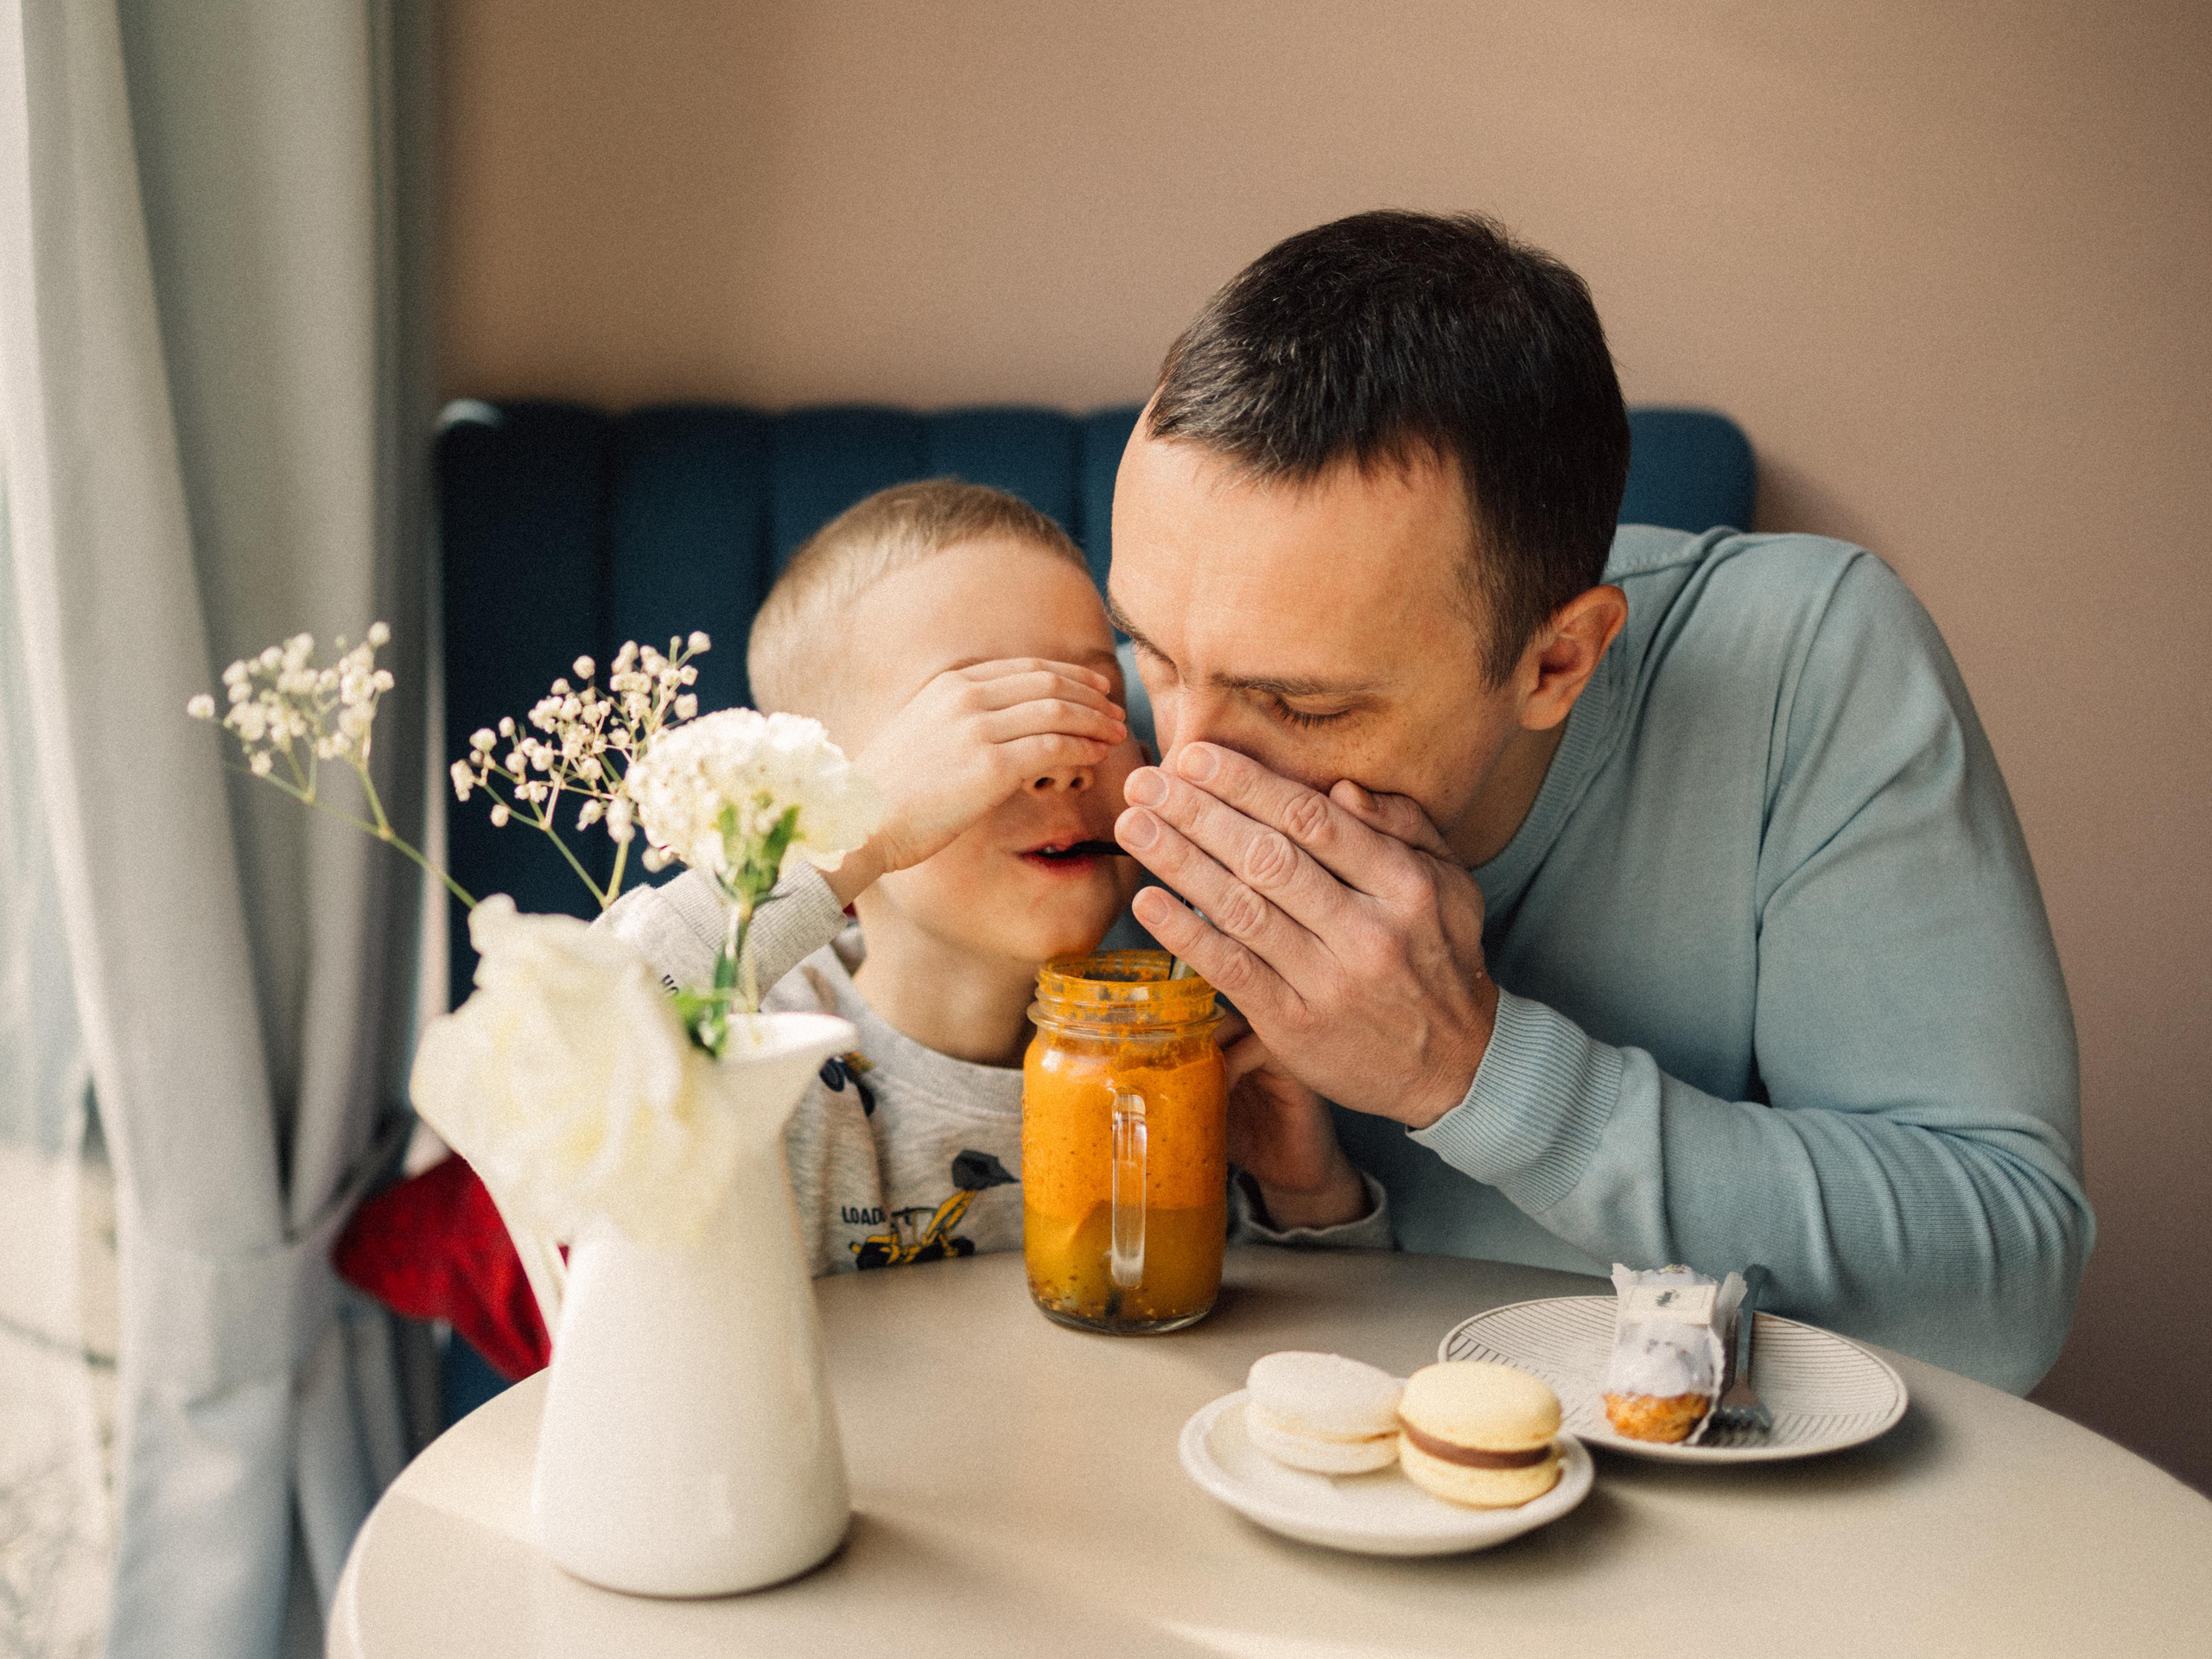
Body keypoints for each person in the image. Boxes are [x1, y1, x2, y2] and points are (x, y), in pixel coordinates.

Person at [1101, 208, 2090, 1392]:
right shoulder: (1096, 741)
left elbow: (2007, 1301)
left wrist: (1472, 1072)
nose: (1188, 767)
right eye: (1152, 651)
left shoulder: (1808, 665)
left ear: (1557, 661)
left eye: (1306, 708)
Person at [601, 480, 1387, 1274]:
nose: (1061, 760)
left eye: (1095, 698)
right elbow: (573, 1025)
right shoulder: (767, 1039)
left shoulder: (1174, 1047)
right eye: (982, 720)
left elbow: (1320, 1374)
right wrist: (855, 825)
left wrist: (1305, 1192)